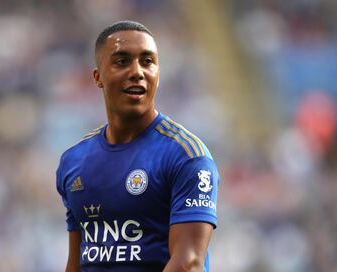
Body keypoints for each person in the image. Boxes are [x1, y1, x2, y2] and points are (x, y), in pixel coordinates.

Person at [56, 20, 220, 272]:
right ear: (98, 76)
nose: (137, 71)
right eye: (122, 61)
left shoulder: (186, 156)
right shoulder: (73, 162)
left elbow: (188, 264)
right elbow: (77, 263)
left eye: (147, 61)